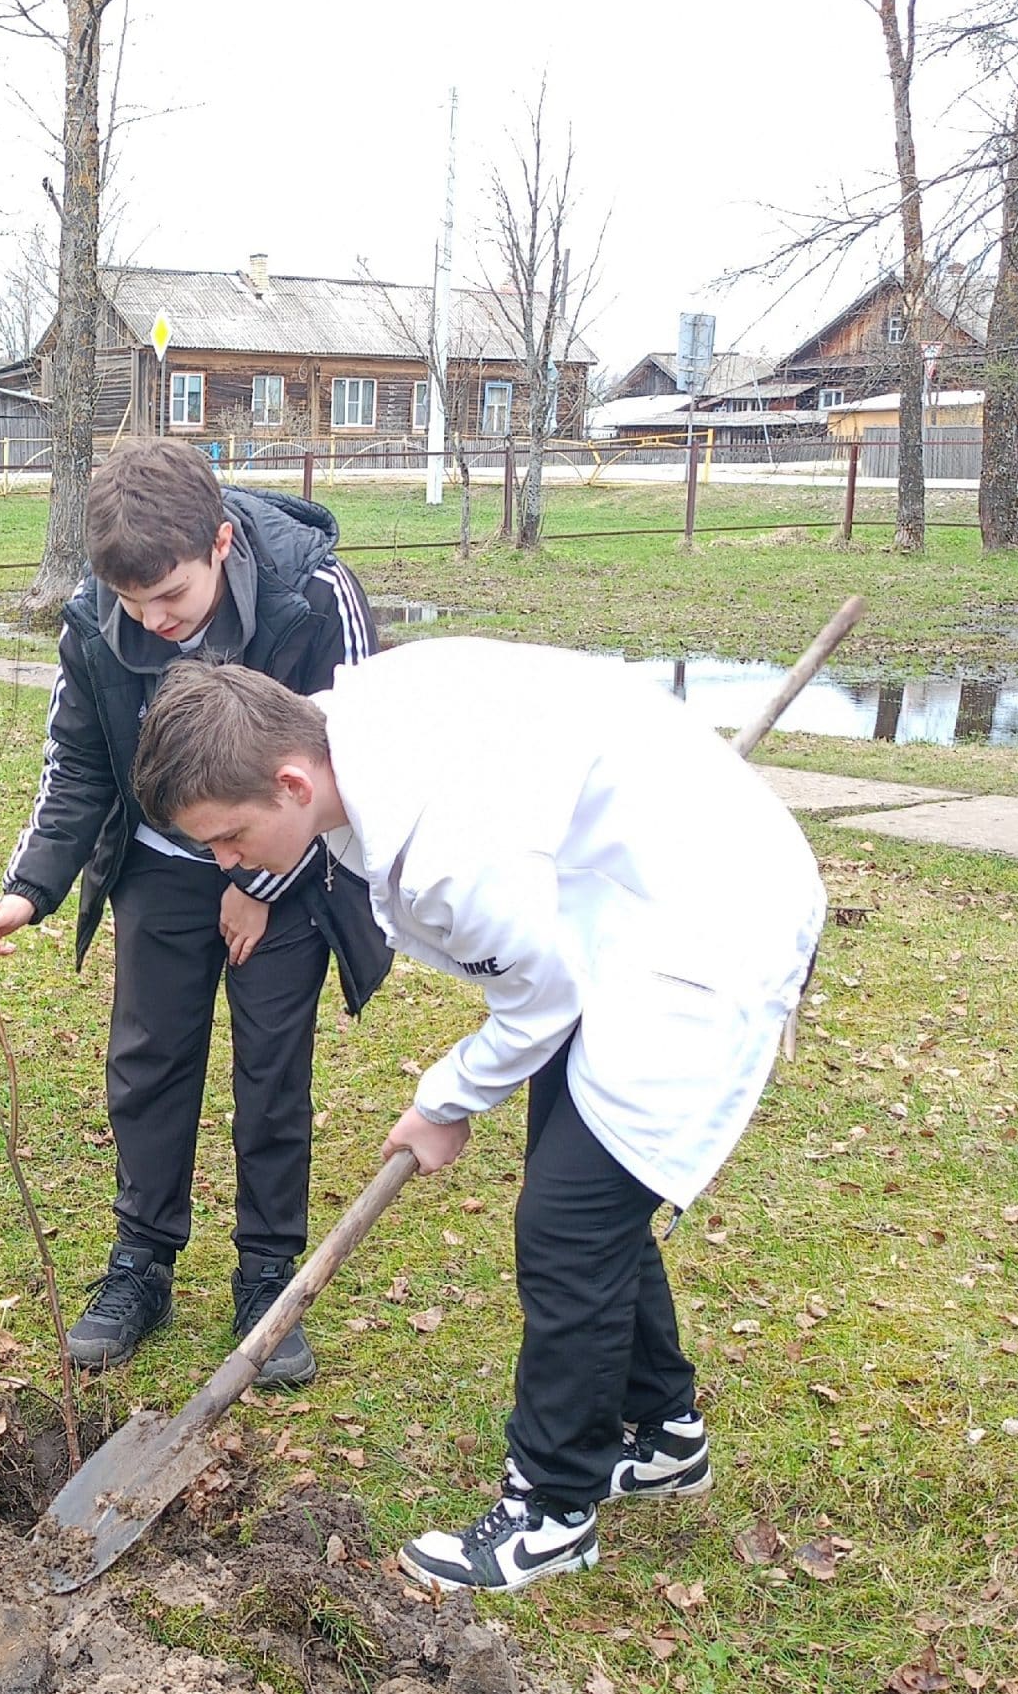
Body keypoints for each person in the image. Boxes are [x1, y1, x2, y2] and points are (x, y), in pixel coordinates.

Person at [129, 646, 824, 1594]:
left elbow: (541, 1001)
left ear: (292, 780)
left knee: (572, 1224)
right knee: (587, 1196)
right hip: (625, 885)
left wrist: (442, 1103)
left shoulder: (449, 851)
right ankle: (663, 1435)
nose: (223, 862)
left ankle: (550, 1511)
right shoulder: (350, 728)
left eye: (228, 838)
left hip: (706, 920)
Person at [0, 440, 390, 1387]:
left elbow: (354, 765)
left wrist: (258, 884)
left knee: (272, 1067)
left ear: (222, 544)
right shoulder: (96, 617)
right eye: (133, 604)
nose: (152, 624)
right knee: (149, 1060)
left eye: (172, 600)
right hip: (160, 866)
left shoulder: (312, 597)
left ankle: (268, 1276)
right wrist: (31, 887)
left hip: (292, 869)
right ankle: (142, 1262)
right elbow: (77, 762)